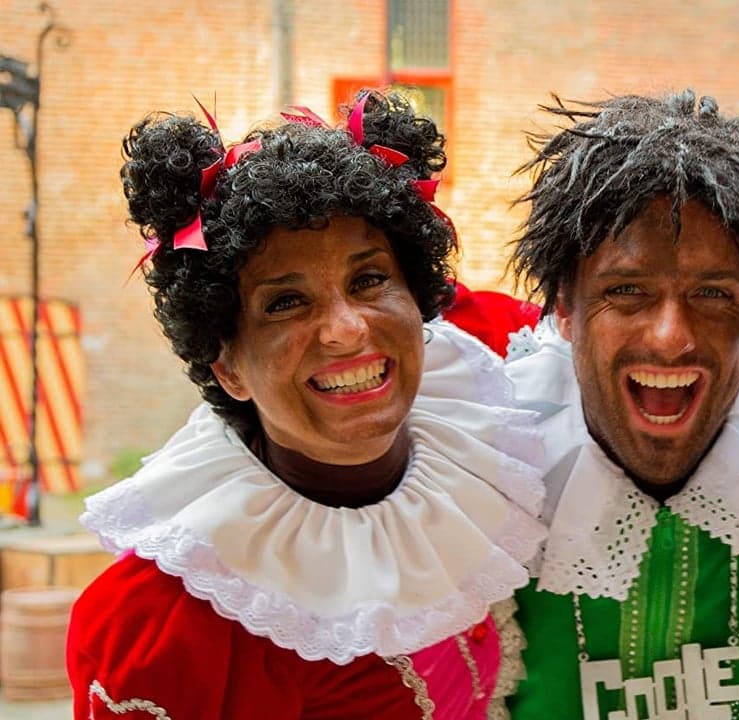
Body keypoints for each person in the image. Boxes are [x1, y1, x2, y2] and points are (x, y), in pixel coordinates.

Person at [67, 92, 546, 719]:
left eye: (369, 280)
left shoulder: (485, 434)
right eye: (286, 303)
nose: (346, 328)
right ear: (228, 366)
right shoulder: (172, 619)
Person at [502, 89, 739, 719]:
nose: (672, 336)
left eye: (713, 294)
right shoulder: (490, 479)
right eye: (628, 290)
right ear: (565, 308)